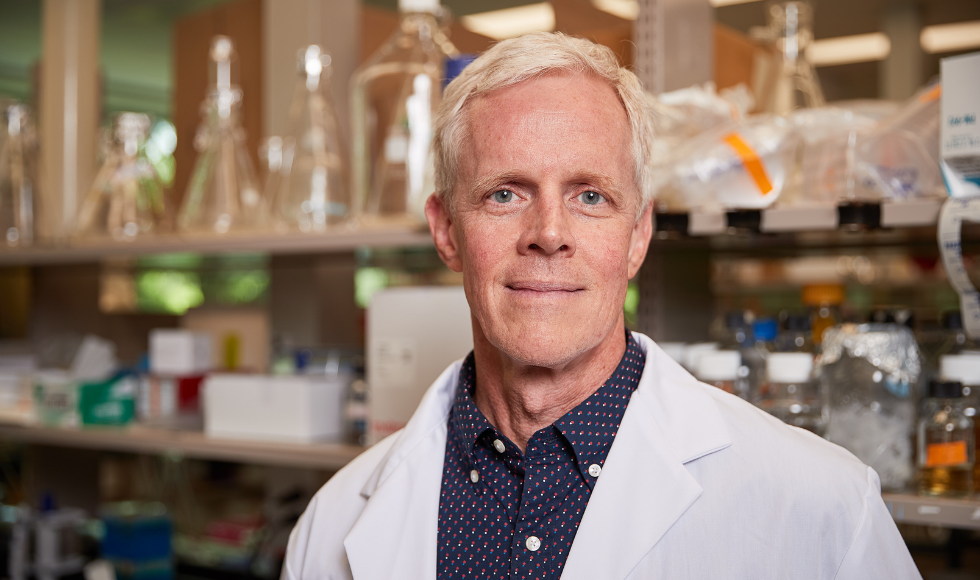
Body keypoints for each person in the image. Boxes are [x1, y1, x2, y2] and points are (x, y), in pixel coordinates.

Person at [282, 32, 920, 580]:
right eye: (505, 194)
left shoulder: (822, 507)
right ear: (447, 230)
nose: (549, 233)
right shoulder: (333, 523)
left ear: (638, 234)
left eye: (590, 196)